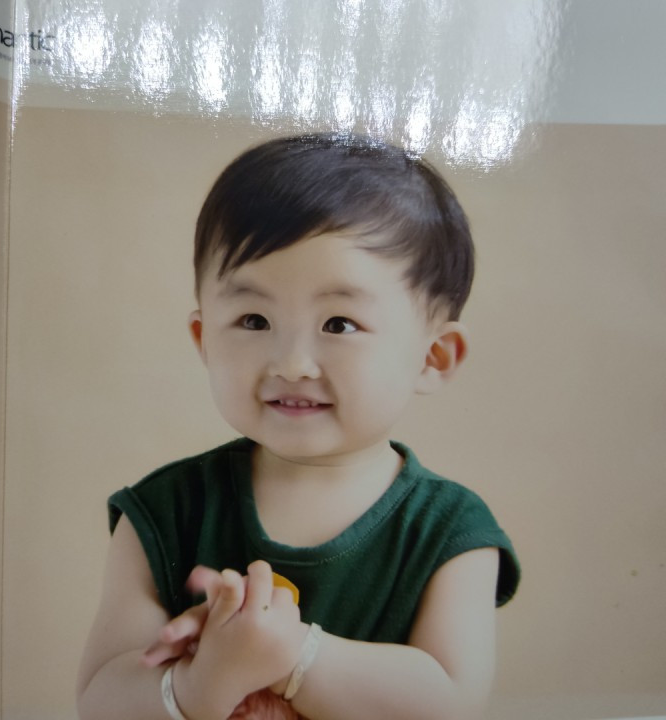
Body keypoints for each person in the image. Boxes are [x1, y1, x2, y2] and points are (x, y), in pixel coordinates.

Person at [76, 133, 520, 720]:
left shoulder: (450, 529)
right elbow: (100, 702)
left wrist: (291, 657)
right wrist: (204, 680)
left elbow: (450, 705)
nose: (291, 364)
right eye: (253, 319)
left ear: (432, 357)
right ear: (204, 338)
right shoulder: (164, 511)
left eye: (339, 324)